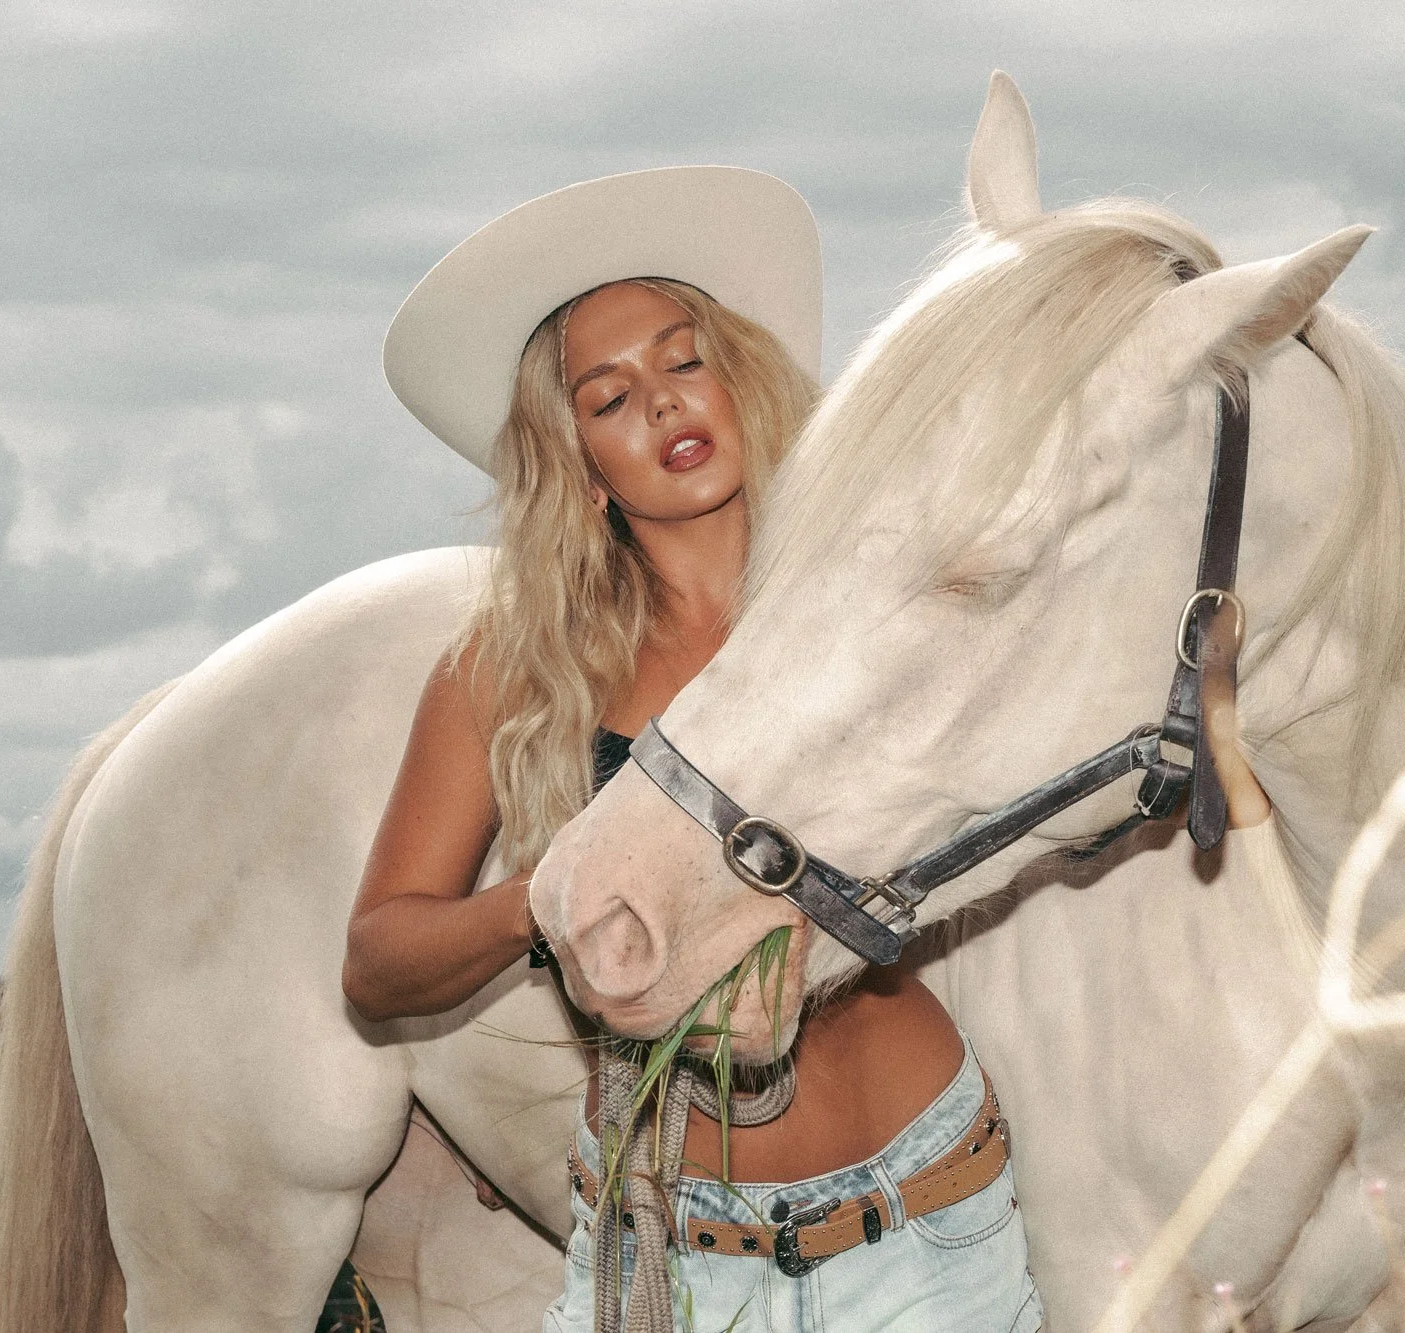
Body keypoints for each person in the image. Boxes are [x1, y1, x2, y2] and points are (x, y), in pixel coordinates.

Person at [343, 167, 1044, 1333]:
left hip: (926, 1224)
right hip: (666, 1257)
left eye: (683, 362)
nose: (663, 408)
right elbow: (377, 962)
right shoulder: (514, 671)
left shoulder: (868, 602)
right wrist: (554, 894)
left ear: (736, 377)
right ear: (576, 459)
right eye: (609, 398)